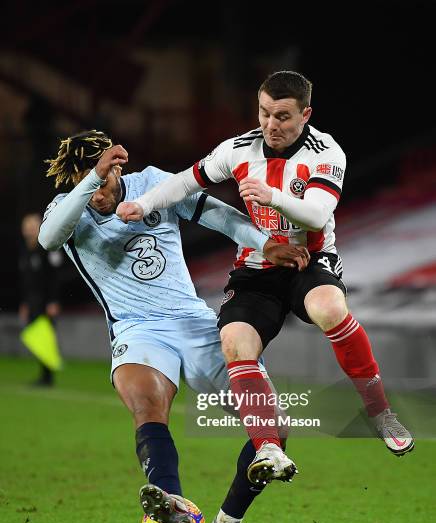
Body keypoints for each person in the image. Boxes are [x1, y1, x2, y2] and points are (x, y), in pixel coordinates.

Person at [117, 70, 414, 465]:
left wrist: (272, 195)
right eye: (264, 113)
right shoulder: (238, 150)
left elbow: (316, 213)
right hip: (257, 266)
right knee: (235, 343)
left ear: (305, 114)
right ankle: (267, 445)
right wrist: (145, 204)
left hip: (310, 260)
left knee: (329, 309)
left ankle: (379, 412)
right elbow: (186, 182)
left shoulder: (326, 153)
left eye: (283, 116)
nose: (270, 125)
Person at [39, 130, 309, 523]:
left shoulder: (152, 185)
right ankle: (171, 503)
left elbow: (217, 215)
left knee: (273, 424)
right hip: (136, 329)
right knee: (148, 406)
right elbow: (48, 238)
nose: (95, 195)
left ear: (120, 169)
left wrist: (264, 243)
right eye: (84, 184)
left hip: (192, 321)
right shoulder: (67, 208)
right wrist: (91, 178)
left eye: (102, 183)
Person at [19, 212, 62, 386]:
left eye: (32, 227)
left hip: (46, 302)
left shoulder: (47, 247)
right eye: (26, 227)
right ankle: (44, 374)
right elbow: (26, 281)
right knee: (37, 337)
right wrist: (24, 303)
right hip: (32, 302)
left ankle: (48, 376)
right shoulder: (25, 251)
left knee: (46, 337)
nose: (29, 231)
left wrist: (54, 300)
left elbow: (55, 277)